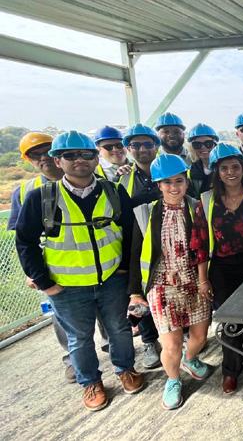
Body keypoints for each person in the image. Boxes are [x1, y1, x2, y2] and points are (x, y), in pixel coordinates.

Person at [15, 131, 143, 411]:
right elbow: (25, 242)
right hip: (67, 286)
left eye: (86, 154)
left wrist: (124, 269)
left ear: (96, 158)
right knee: (79, 338)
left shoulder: (113, 192)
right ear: (57, 161)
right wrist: (45, 282)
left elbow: (130, 232)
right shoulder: (42, 198)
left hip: (111, 279)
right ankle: (91, 382)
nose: (79, 160)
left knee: (119, 329)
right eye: (70, 155)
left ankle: (125, 369)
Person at [128, 155, 211, 410]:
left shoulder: (198, 207)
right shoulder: (146, 213)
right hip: (162, 285)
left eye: (179, 181)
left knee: (200, 336)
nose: (174, 187)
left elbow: (205, 246)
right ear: (158, 185)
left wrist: (204, 280)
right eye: (167, 182)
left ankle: (190, 359)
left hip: (194, 281)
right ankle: (173, 380)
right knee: (171, 344)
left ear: (186, 182)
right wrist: (134, 292)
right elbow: (134, 253)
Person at [192, 143, 243, 394]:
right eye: (224, 168)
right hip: (223, 267)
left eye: (235, 167)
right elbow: (200, 243)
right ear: (217, 172)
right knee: (231, 322)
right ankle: (230, 370)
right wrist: (203, 279)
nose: (230, 172)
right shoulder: (206, 201)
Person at [119, 124, 163, 368]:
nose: (142, 149)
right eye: (136, 145)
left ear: (156, 146)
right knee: (142, 293)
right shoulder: (123, 179)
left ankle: (182, 336)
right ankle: (149, 341)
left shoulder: (169, 169)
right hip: (138, 243)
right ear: (128, 148)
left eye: (148, 144)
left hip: (168, 241)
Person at [8, 132, 63, 231]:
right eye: (35, 155)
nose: (44, 157)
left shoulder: (85, 180)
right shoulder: (22, 191)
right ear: (29, 160)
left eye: (48, 152)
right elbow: (16, 230)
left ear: (58, 153)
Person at [185, 123, 219, 198]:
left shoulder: (224, 167)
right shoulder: (190, 171)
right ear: (192, 148)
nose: (203, 147)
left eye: (208, 144)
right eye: (197, 145)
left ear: (215, 145)